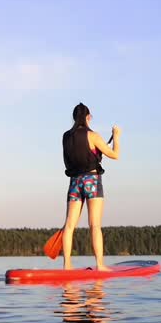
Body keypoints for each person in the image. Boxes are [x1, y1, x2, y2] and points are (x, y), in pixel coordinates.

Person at [61, 103, 120, 270]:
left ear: (74, 117)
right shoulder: (93, 135)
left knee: (69, 226)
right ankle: (100, 265)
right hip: (92, 181)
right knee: (95, 225)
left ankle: (67, 265)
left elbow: (70, 159)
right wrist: (116, 136)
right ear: (88, 117)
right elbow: (115, 155)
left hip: (74, 182)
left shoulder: (66, 137)